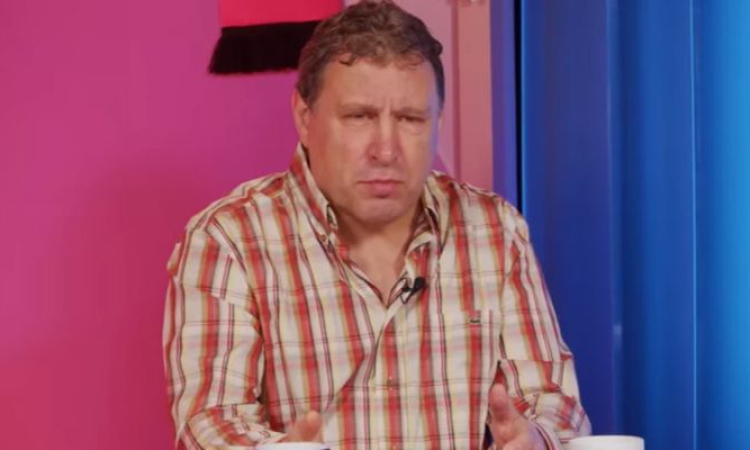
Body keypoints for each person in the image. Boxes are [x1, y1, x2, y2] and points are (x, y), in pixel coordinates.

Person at [162, 1, 591, 449]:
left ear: (438, 120)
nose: (386, 150)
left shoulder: (494, 229)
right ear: (305, 118)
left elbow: (554, 403)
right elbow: (210, 422)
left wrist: (536, 438)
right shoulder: (228, 239)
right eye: (360, 117)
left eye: (410, 119)